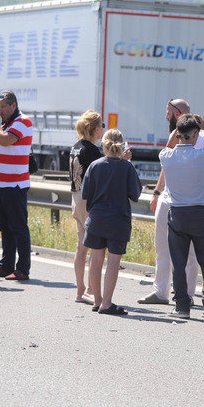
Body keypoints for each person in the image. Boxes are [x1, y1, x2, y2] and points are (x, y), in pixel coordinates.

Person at [138, 98, 204, 305]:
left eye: (168, 111)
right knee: (162, 247)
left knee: (189, 253)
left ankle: (187, 294)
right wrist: (157, 192)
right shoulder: (173, 139)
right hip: (168, 198)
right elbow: (166, 163)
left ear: (177, 114)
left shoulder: (202, 138)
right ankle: (161, 292)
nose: (165, 115)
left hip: (188, 203)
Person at [160, 114, 204, 319]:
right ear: (196, 134)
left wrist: (177, 132)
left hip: (178, 214)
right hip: (200, 213)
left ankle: (181, 306)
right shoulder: (202, 155)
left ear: (178, 134)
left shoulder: (165, 156)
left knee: (178, 262)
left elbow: (169, 145)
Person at [81, 128, 141, 315]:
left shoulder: (95, 165)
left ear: (104, 144)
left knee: (96, 260)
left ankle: (97, 301)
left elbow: (85, 194)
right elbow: (136, 194)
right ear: (122, 145)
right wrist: (126, 162)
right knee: (113, 262)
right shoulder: (127, 167)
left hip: (97, 219)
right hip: (118, 221)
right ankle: (107, 303)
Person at [0, 91, 33, 281]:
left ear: (13, 105)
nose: (0, 111)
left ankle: (22, 269)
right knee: (5, 227)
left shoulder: (22, 121)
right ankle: (6, 265)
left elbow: (5, 140)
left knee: (18, 226)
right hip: (0, 183)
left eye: (4, 107)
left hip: (14, 183)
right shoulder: (7, 123)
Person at [69, 111, 105, 304]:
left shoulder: (75, 147)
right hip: (88, 199)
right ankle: (90, 289)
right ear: (96, 129)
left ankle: (79, 289)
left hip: (75, 197)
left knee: (80, 246)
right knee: (95, 246)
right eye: (102, 126)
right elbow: (98, 177)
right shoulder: (91, 150)